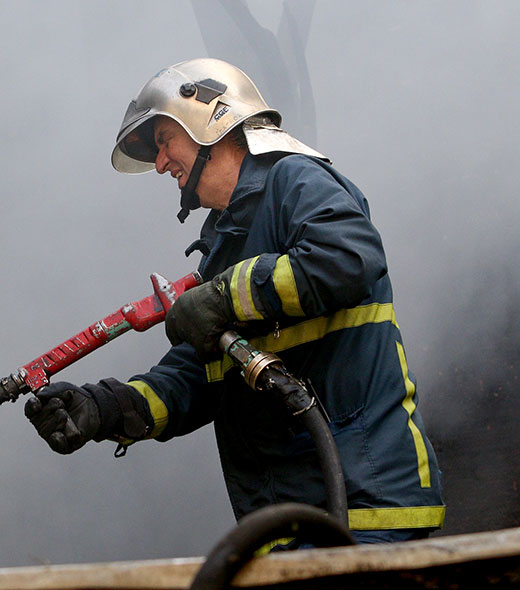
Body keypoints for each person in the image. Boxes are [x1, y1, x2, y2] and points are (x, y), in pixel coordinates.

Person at [24, 58, 444, 544]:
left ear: (209, 121)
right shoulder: (225, 243)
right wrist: (103, 407)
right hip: (289, 525)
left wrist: (223, 296)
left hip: (363, 510)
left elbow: (345, 258)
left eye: (164, 141)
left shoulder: (296, 181)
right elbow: (196, 373)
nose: (161, 163)